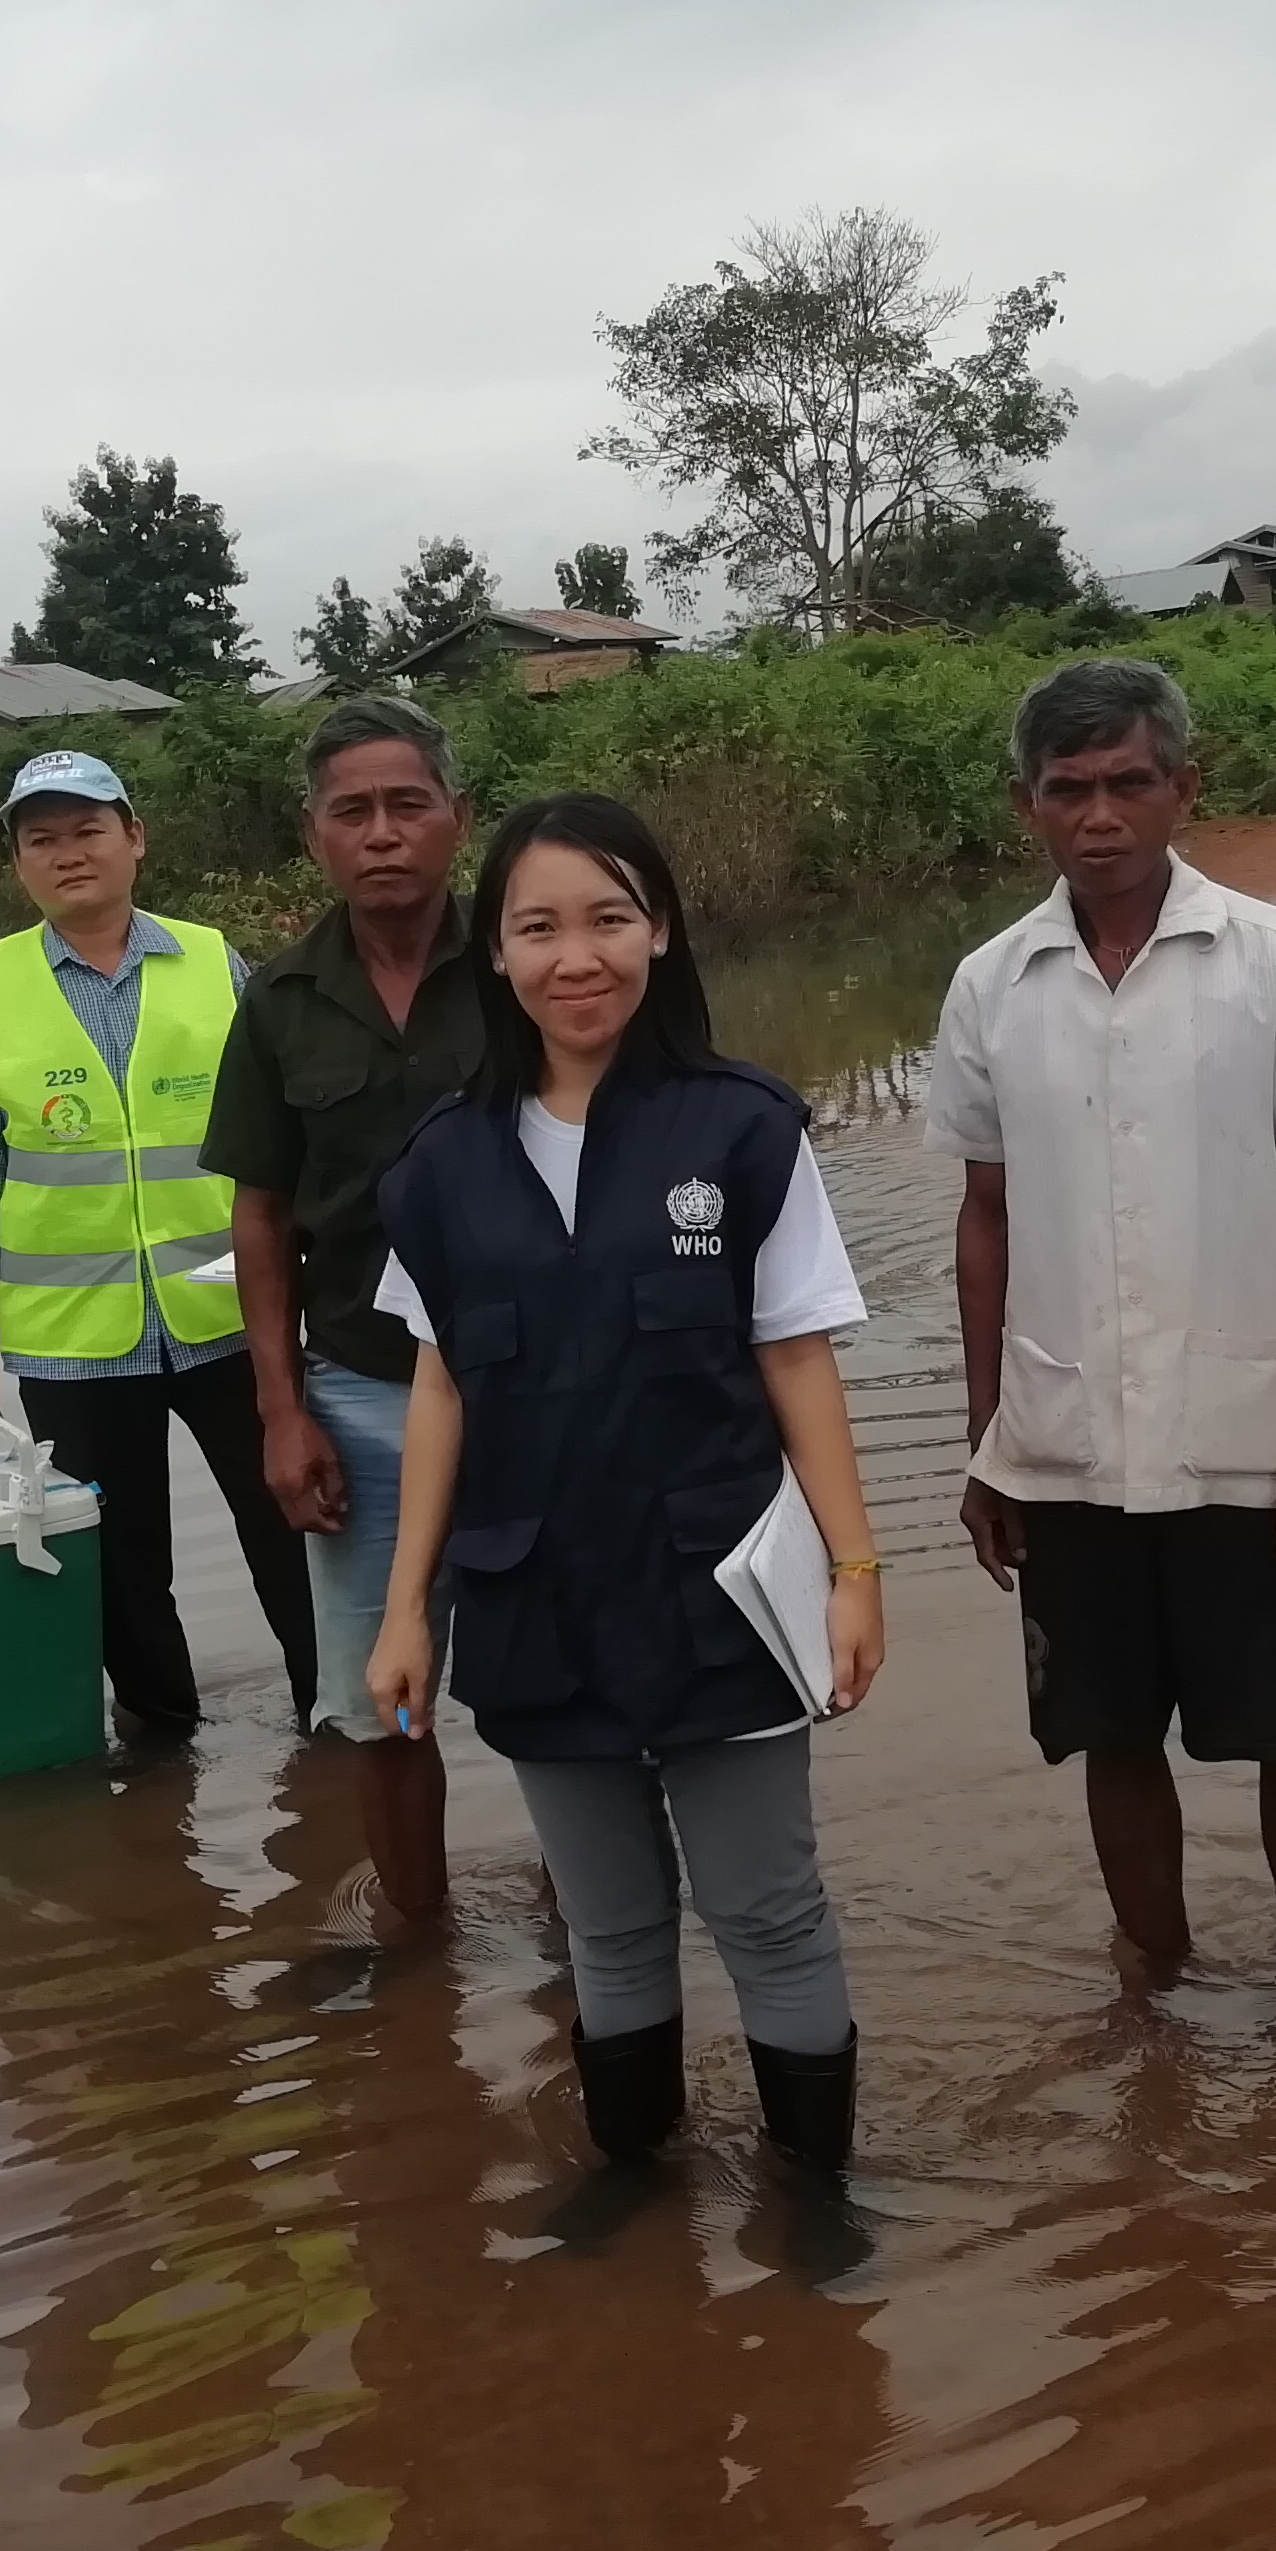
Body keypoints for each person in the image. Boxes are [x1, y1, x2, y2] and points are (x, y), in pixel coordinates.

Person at [366, 794, 888, 2177]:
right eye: (537, 927)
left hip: (723, 1585)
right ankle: (635, 2195)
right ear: (493, 954)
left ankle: (818, 2202)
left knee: (766, 1908)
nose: (575, 957)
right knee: (605, 1924)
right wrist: (405, 1608)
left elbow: (796, 1359)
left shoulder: (741, 1130)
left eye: (608, 919)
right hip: (537, 1594)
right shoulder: (439, 1168)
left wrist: (854, 1572)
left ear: (660, 929)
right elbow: (439, 1389)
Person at [928, 658, 1276, 1977]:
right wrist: (987, 1447)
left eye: (1131, 783)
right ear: (1029, 806)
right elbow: (985, 1224)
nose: (1102, 816)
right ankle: (1159, 1995)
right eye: (1069, 790)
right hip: (1064, 1439)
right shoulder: (990, 988)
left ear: (1186, 786)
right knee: (1108, 1734)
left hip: (1247, 1440)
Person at [0, 749, 318, 1742]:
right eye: (40, 839)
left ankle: (340, 1719)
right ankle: (161, 1753)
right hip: (74, 1335)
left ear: (134, 838)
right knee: (120, 1566)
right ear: (16, 861)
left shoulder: (213, 962)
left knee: (295, 1524)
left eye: (87, 829)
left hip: (232, 1312)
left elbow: (283, 1150)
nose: (68, 854)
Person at [205, 700, 482, 1919]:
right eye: (351, 812)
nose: (382, 835)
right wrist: (281, 1412)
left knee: (576, 1680)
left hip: (534, 1389)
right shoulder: (276, 1005)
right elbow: (260, 1218)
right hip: (364, 1392)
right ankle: (416, 1950)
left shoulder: (528, 962)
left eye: (406, 805)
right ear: (312, 835)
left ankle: (601, 1953)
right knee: (384, 1702)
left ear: (455, 822)